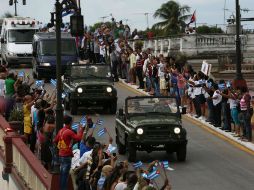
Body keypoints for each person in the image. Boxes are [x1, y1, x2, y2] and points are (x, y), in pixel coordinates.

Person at [54, 115, 85, 190]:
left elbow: (55, 140)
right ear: (70, 122)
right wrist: (81, 130)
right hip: (66, 156)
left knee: (62, 174)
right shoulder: (69, 132)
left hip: (61, 155)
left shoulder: (61, 130)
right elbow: (79, 138)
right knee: (65, 175)